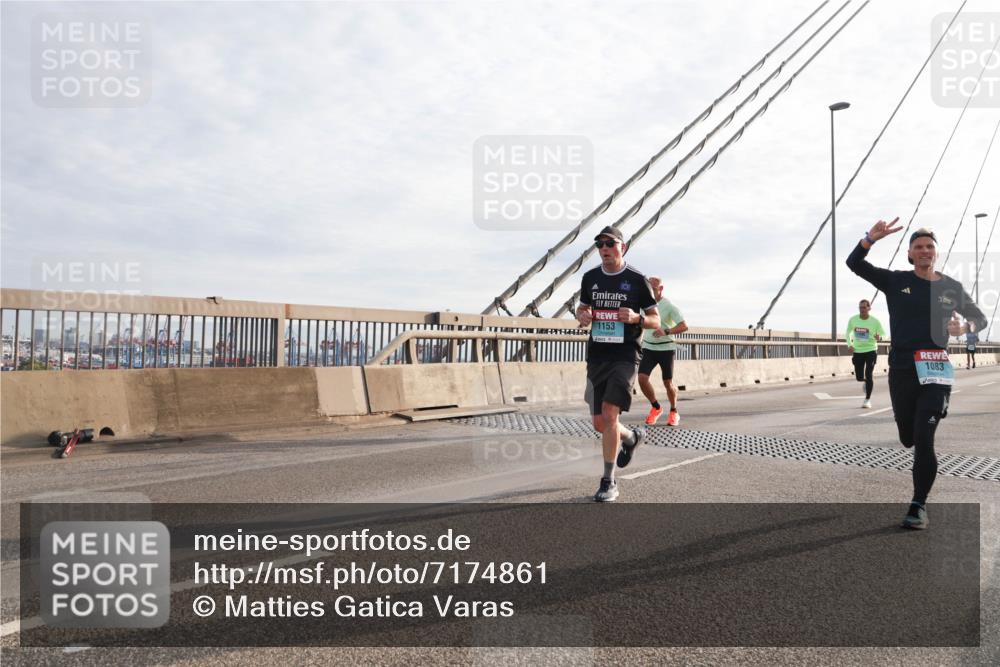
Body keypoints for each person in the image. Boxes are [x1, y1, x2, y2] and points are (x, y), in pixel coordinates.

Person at [846, 219, 987, 529]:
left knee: (924, 438)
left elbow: (980, 319)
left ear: (935, 253)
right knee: (908, 436)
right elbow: (854, 263)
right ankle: (908, 428)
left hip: (936, 370)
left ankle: (918, 505)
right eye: (919, 247)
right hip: (902, 369)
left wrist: (965, 327)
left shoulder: (950, 287)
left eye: (930, 247)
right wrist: (870, 238)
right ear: (910, 253)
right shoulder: (896, 281)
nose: (925, 251)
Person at [576, 225, 660, 502]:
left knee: (611, 415)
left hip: (625, 355)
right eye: (600, 245)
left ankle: (608, 481)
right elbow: (583, 307)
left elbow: (655, 320)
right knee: (601, 423)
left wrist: (636, 319)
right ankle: (631, 438)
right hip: (597, 354)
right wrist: (583, 315)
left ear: (622, 247)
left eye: (610, 244)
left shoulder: (637, 279)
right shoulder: (590, 278)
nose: (604, 249)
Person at [638, 277, 688, 425]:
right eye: (649, 288)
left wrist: (666, 331)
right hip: (649, 348)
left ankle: (674, 411)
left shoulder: (669, 306)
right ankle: (656, 407)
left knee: (668, 383)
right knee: (642, 378)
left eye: (653, 288)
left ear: (661, 289)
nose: (651, 291)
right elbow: (640, 325)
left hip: (666, 349)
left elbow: (684, 326)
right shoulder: (644, 305)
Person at [845, 299, 885, 409]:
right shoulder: (853, 320)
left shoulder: (875, 321)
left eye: (864, 307)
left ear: (869, 308)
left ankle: (867, 399)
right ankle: (866, 382)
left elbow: (883, 334)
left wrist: (880, 337)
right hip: (858, 351)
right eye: (860, 307)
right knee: (859, 377)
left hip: (871, 350)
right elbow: (847, 333)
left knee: (869, 373)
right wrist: (850, 344)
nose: (862, 309)